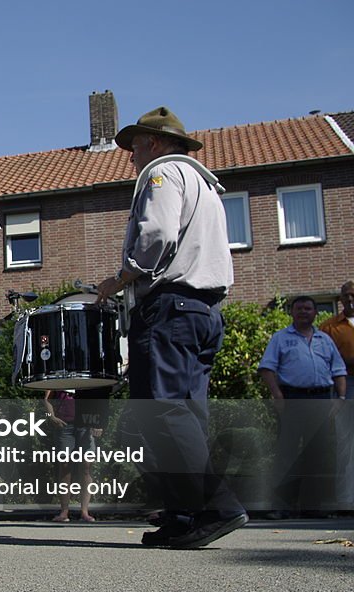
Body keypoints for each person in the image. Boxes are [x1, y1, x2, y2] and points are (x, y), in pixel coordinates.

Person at [96, 107, 247, 549]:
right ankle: (185, 515)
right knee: (185, 415)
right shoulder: (206, 184)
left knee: (163, 412)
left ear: (155, 144)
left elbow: (156, 236)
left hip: (169, 309)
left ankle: (217, 506)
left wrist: (120, 277)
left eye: (135, 147)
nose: (131, 158)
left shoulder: (162, 175)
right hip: (203, 312)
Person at [259, 296, 345, 517]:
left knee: (318, 454)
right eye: (299, 308)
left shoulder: (325, 340)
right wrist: (277, 396)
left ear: (316, 312)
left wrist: (340, 398)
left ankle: (314, 508)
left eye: (308, 308)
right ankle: (280, 507)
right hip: (293, 399)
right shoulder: (280, 338)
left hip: (321, 400)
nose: (303, 312)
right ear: (292, 312)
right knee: (286, 454)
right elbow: (267, 369)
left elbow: (338, 371)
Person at [319, 281, 354, 510]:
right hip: (346, 384)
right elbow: (324, 359)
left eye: (353, 295)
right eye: (345, 296)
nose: (349, 300)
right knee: (346, 443)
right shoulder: (329, 327)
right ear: (340, 299)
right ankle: (346, 500)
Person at [41, 390, 98, 523]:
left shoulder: (85, 375)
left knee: (86, 467)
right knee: (65, 467)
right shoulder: (58, 375)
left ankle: (85, 511)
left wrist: (98, 422)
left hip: (86, 424)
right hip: (65, 426)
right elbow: (47, 399)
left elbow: (98, 397)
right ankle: (64, 511)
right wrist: (51, 417)